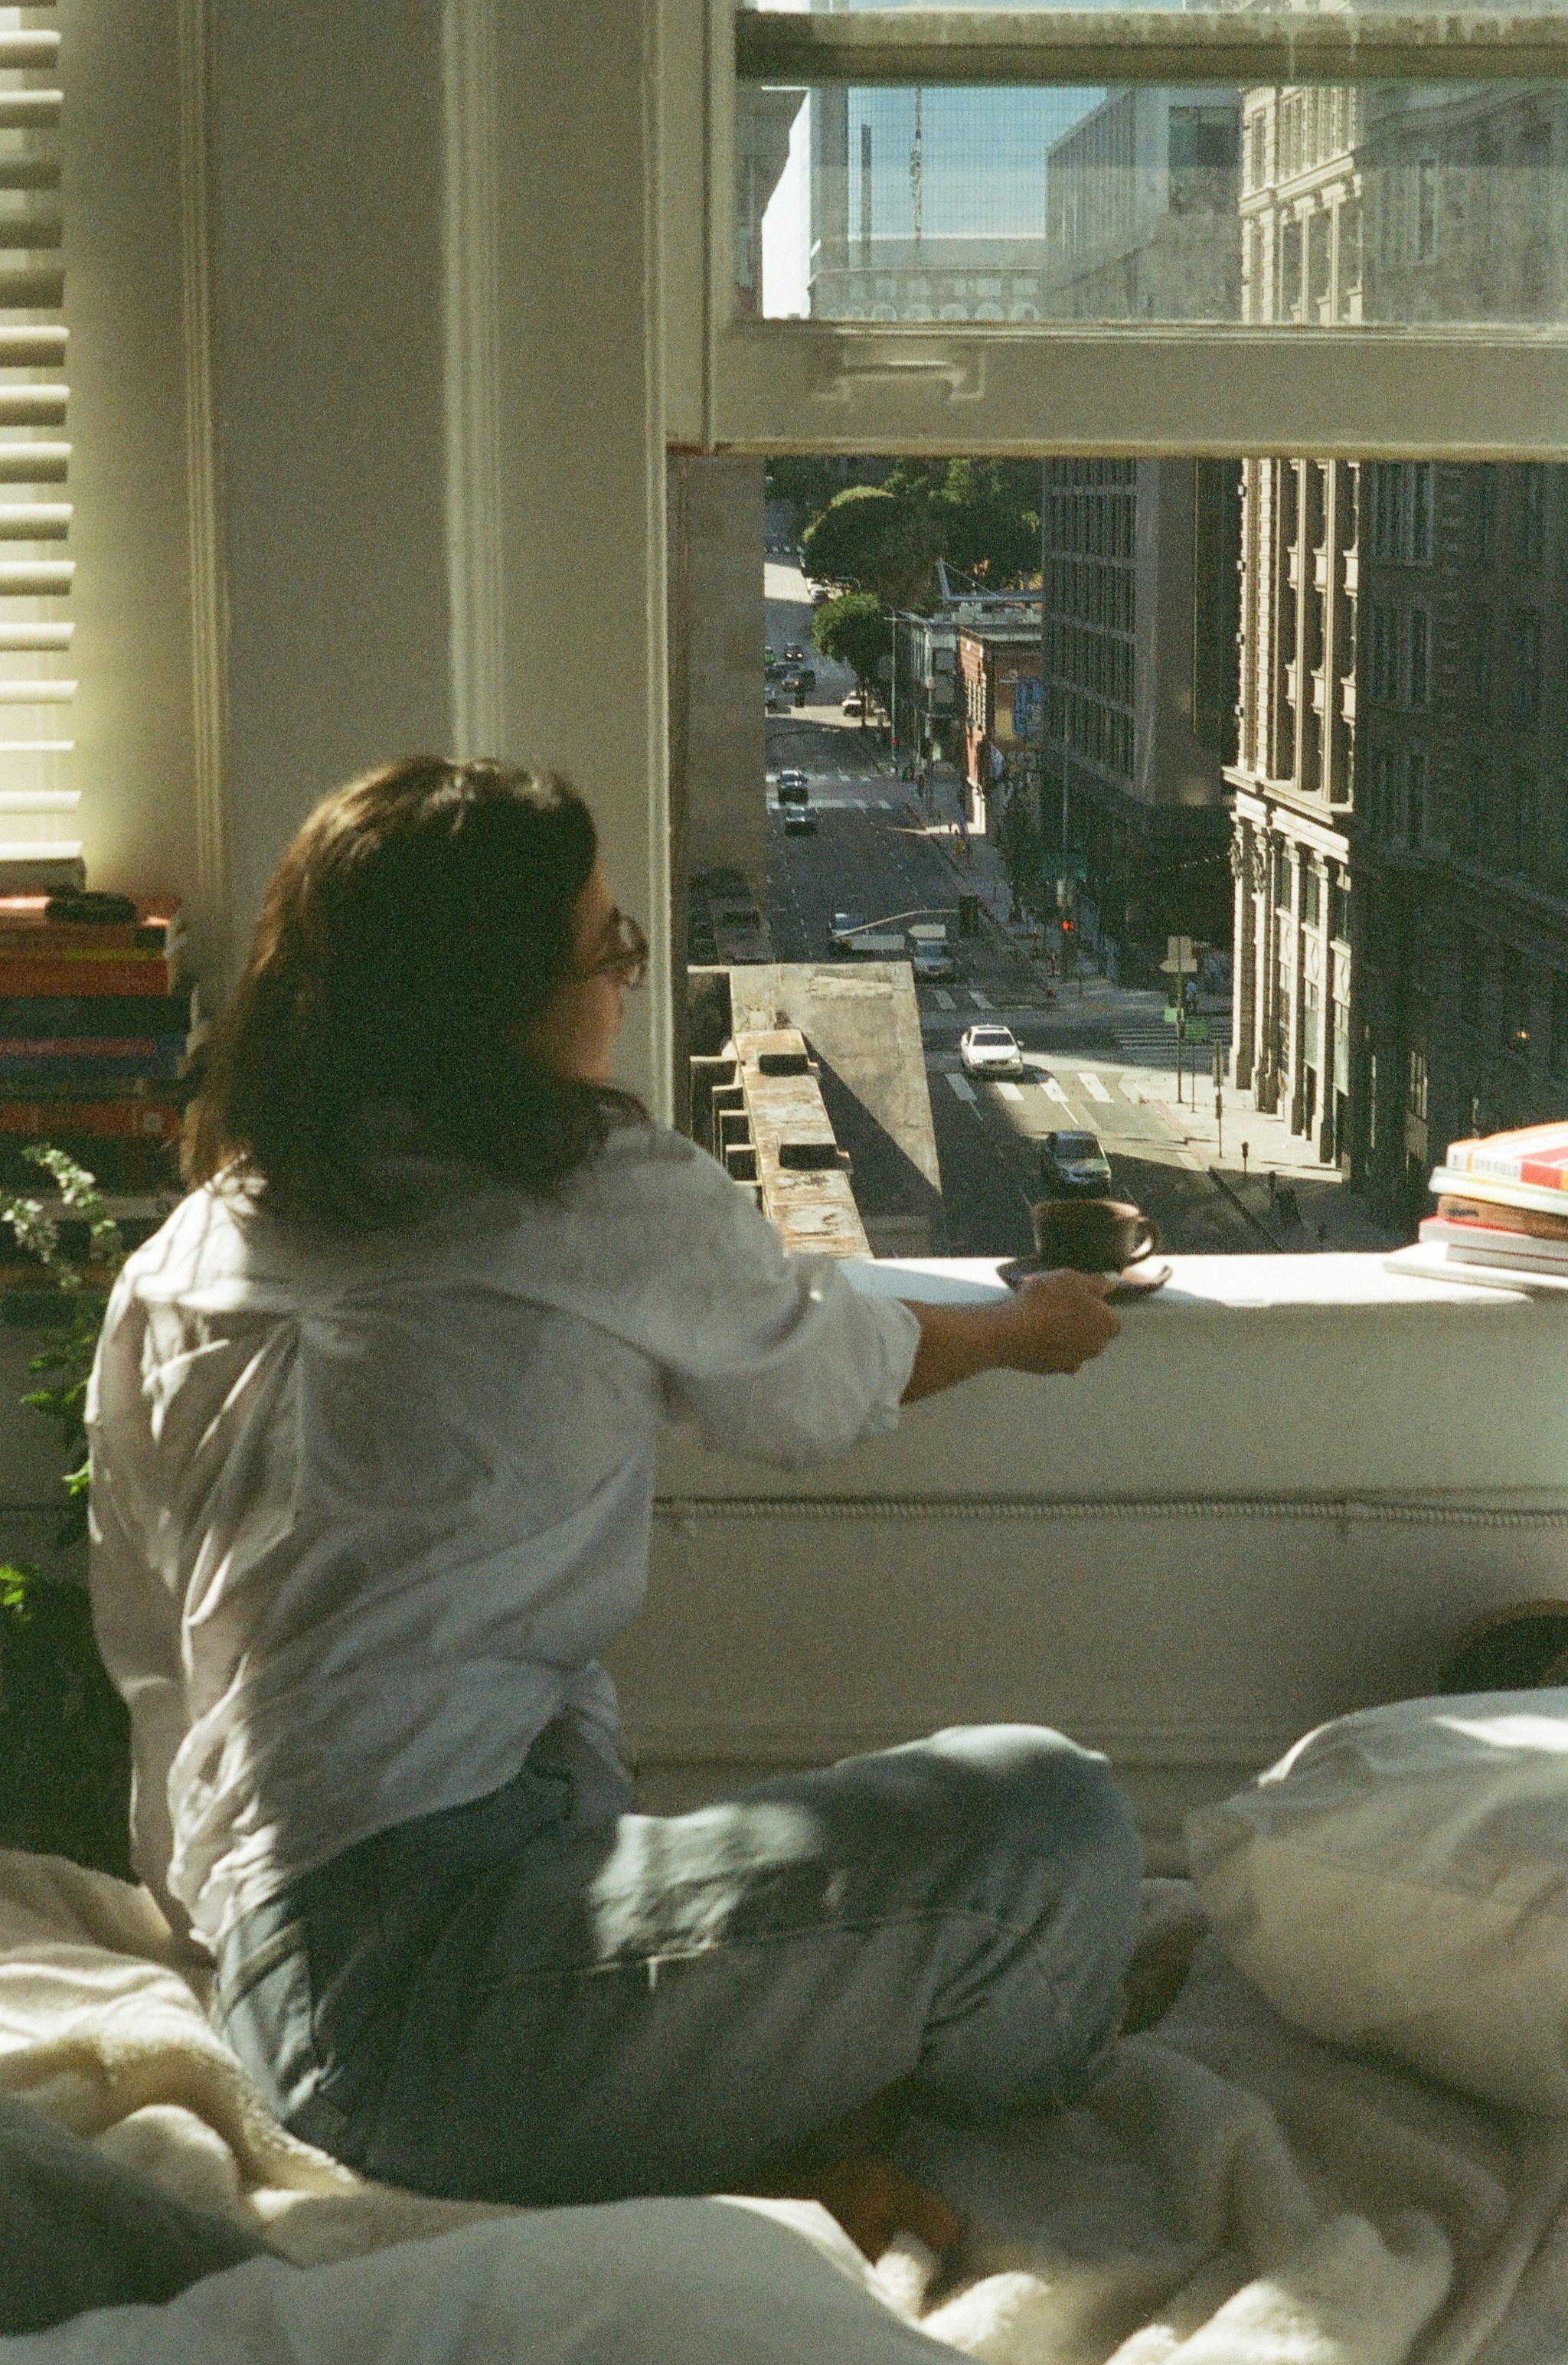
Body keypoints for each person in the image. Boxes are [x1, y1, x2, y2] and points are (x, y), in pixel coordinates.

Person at [86, 757, 1139, 2243]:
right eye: (608, 952)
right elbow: (814, 1376)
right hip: (427, 2003)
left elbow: (150, 1661)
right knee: (1051, 1825)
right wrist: (1027, 1330)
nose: (624, 986)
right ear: (498, 999)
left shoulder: (180, 1257)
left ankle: (711, 2122)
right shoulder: (589, 1192)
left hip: (278, 1969)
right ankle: (975, 2078)